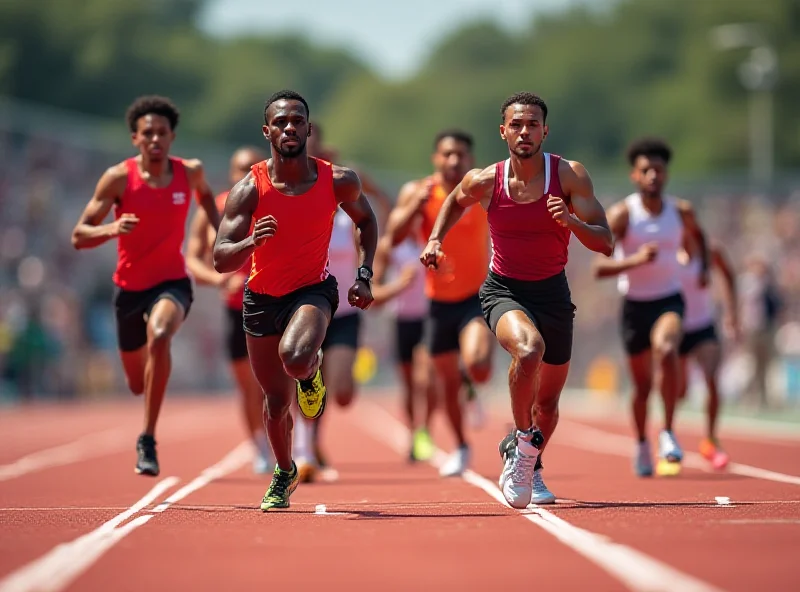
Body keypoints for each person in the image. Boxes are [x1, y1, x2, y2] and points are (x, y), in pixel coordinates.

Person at [422, 92, 613, 508]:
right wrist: (436, 238)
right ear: (503, 130)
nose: (524, 132)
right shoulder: (485, 180)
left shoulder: (569, 176)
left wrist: (573, 221)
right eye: (516, 124)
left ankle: (526, 458)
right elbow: (455, 200)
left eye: (532, 124)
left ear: (545, 130)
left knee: (548, 404)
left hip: (553, 293)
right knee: (529, 350)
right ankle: (524, 444)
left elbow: (607, 243)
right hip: (503, 289)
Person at [212, 90, 378, 511]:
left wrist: (364, 273)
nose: (290, 128)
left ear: (308, 128)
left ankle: (309, 374)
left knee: (297, 356)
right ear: (267, 131)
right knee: (274, 402)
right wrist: (253, 239)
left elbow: (366, 220)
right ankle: (284, 471)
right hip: (261, 298)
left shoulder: (337, 179)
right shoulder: (249, 188)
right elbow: (219, 257)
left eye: (297, 121)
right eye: (281, 122)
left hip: (313, 290)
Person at [71, 95, 221, 477]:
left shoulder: (190, 172)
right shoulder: (118, 178)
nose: (155, 139)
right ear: (135, 139)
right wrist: (110, 228)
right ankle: (143, 393)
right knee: (137, 383)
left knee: (160, 335)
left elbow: (207, 200)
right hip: (129, 290)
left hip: (172, 281)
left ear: (172, 137)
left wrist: (225, 237)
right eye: (147, 133)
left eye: (162, 133)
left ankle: (148, 438)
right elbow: (79, 235)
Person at [592, 137, 707, 478]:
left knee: (668, 348)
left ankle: (668, 431)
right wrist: (637, 260)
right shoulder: (624, 215)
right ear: (635, 176)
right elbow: (599, 267)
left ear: (666, 173)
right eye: (646, 170)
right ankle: (642, 441)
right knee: (641, 388)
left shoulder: (681, 211)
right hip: (634, 307)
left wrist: (699, 267)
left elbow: (698, 239)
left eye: (658, 169)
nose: (653, 175)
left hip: (669, 299)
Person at [384, 129, 493, 477]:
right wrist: (415, 206)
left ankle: (471, 380)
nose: (453, 161)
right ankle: (461, 445)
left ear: (470, 160)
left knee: (478, 364)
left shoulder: (480, 192)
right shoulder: (419, 191)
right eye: (447, 154)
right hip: (437, 303)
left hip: (474, 297)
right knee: (443, 383)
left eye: (460, 154)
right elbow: (394, 236)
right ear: (436, 158)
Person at [291, 123, 394, 482]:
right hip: (305, 303)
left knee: (342, 391)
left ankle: (311, 437)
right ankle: (305, 448)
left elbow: (377, 211)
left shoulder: (344, 188)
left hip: (344, 307)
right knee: (304, 374)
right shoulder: (290, 191)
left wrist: (372, 269)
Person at [185, 146, 275, 474]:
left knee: (277, 382)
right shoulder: (217, 209)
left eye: (250, 169)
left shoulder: (273, 202)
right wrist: (220, 282)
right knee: (248, 386)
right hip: (235, 310)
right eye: (239, 169)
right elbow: (194, 259)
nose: (244, 175)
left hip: (273, 302)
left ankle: (293, 441)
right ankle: (259, 445)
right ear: (230, 173)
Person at [675, 233, 738, 470]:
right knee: (679, 391)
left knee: (712, 378)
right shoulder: (668, 252)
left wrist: (732, 311)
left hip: (704, 326)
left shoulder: (709, 252)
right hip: (678, 329)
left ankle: (711, 440)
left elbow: (729, 274)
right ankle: (668, 439)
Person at [372, 228, 436, 462]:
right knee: (409, 384)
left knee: (426, 378)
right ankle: (412, 431)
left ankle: (425, 430)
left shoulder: (433, 237)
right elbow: (374, 294)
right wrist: (400, 284)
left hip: (428, 317)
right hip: (400, 320)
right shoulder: (391, 245)